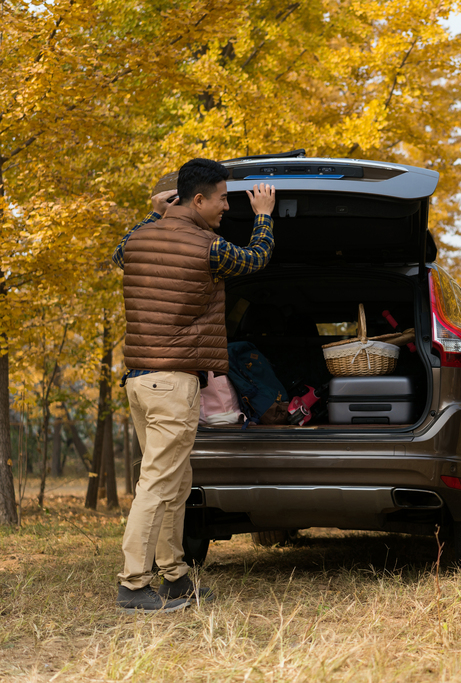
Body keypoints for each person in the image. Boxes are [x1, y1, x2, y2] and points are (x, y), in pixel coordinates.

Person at [111, 158, 276, 613]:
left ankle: (175, 576)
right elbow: (255, 258)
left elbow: (120, 253)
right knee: (159, 484)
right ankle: (133, 585)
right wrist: (263, 217)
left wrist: (155, 212)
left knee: (175, 482)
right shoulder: (208, 245)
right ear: (198, 200)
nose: (227, 207)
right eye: (222, 198)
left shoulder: (138, 237)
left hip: (141, 381)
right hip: (173, 382)